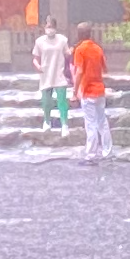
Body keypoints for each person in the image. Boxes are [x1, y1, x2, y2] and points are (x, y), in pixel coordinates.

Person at [70, 26, 112, 162]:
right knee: (102, 122)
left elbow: (79, 71)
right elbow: (104, 69)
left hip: (88, 90)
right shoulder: (97, 48)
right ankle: (107, 151)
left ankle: (91, 154)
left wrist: (75, 92)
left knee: (90, 123)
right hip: (100, 89)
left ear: (79, 34)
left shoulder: (80, 49)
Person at [31, 14, 69, 132]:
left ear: (55, 27)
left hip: (59, 72)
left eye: (51, 26)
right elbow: (35, 57)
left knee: (62, 100)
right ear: (44, 27)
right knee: (46, 101)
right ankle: (47, 121)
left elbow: (67, 53)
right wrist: (38, 66)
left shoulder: (62, 40)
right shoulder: (40, 41)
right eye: (48, 26)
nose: (50, 29)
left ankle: (64, 125)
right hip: (46, 73)